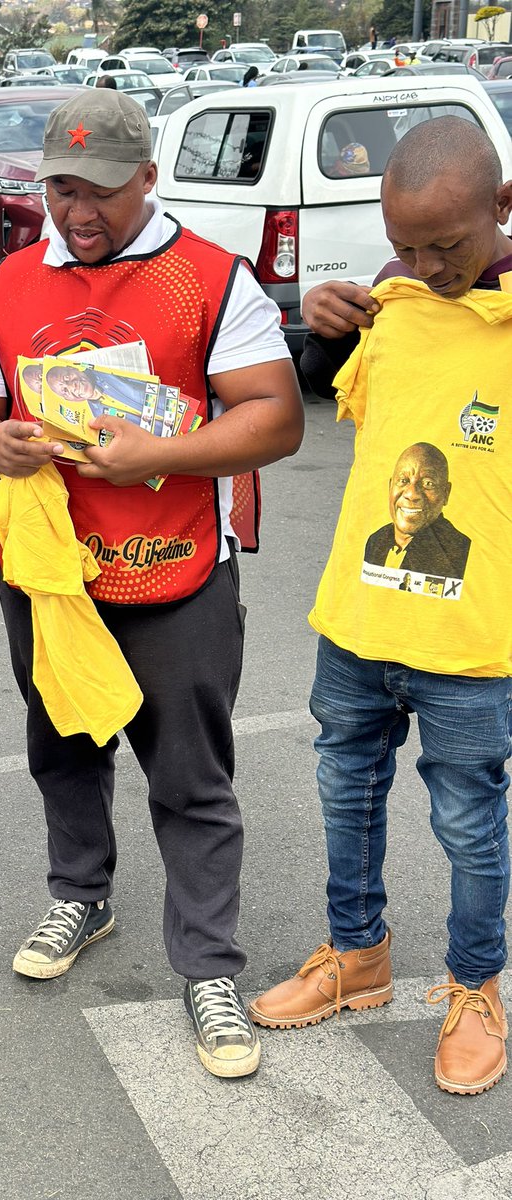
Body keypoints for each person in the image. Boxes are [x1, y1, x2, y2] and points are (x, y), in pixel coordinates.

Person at [0, 88, 304, 1080]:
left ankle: (208, 966)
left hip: (178, 564)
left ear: (149, 178)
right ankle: (83, 892)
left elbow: (275, 418)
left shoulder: (211, 279)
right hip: (53, 571)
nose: (80, 211)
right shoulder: (13, 283)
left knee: (190, 776)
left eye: (102, 189)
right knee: (63, 742)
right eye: (62, 189)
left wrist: (171, 447)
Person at [250, 117, 512, 1095]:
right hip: (359, 624)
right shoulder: (393, 309)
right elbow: (332, 394)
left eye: (447, 244)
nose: (427, 263)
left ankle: (475, 989)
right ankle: (355, 957)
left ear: (501, 209)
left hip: (470, 640)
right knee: (344, 796)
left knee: (470, 825)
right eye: (407, 244)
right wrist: (315, 330)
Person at [364, 442, 471, 579]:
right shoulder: (376, 540)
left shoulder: (459, 551)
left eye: (428, 483)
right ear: (390, 487)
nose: (412, 494)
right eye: (403, 480)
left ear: (446, 493)